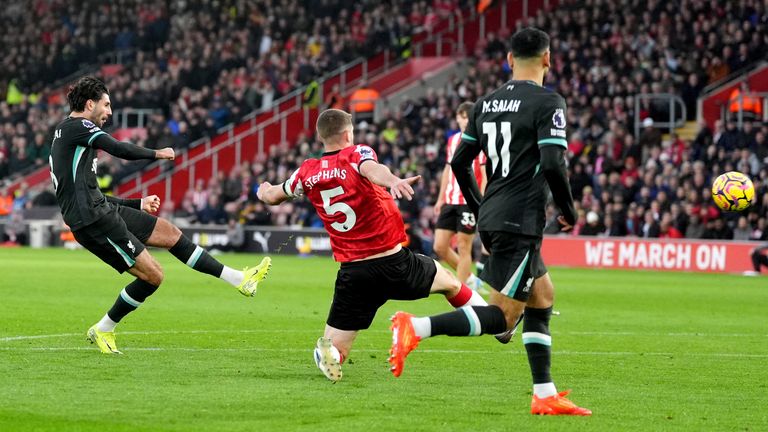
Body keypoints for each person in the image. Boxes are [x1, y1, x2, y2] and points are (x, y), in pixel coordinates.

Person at [387, 28, 591, 416]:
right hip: (521, 219)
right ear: (548, 59)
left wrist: (482, 205)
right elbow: (552, 162)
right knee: (502, 319)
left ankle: (544, 394)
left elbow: (460, 162)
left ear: (509, 60)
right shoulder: (549, 102)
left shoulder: (485, 103)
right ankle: (416, 327)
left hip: (494, 213)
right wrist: (568, 208)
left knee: (543, 296)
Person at [257, 108, 489, 382]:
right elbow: (372, 169)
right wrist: (393, 181)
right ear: (347, 133)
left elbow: (272, 196)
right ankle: (499, 325)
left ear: (321, 138)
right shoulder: (356, 154)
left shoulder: (306, 172)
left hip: (354, 274)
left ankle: (328, 354)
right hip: (393, 263)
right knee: (450, 282)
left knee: (337, 349)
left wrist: (263, 190)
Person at [49, 76, 272, 355]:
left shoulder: (71, 138)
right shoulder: (79, 127)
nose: (109, 112)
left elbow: (89, 193)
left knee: (170, 233)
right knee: (154, 276)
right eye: (106, 105)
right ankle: (104, 328)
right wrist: (157, 153)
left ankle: (239, 279)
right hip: (93, 222)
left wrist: (136, 203)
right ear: (90, 104)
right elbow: (118, 148)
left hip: (100, 210)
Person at [433, 102, 486, 291]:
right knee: (439, 247)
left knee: (464, 246)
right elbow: (448, 169)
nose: (464, 120)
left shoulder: (481, 140)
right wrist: (440, 198)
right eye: (461, 116)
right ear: (457, 118)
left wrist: (482, 199)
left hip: (469, 200)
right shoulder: (453, 140)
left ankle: (463, 293)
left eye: (467, 117)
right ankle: (470, 279)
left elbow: (484, 172)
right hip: (450, 199)